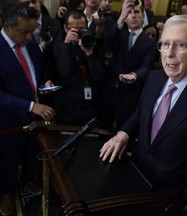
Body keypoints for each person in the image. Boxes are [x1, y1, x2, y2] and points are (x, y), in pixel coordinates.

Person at [99, 15, 187, 215]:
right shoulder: (154, 78)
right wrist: (123, 134)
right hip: (135, 175)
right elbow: (139, 114)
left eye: (180, 45)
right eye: (165, 44)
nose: (169, 53)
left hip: (171, 195)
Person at [0, 2, 56, 215]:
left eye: (32, 31)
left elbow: (37, 74)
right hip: (8, 119)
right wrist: (32, 105)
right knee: (9, 157)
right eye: (25, 32)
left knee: (33, 150)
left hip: (36, 114)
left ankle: (29, 179)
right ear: (6, 25)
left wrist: (45, 83)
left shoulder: (31, 43)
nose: (30, 37)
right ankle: (6, 192)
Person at [100, 0, 159, 130]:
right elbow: (106, 43)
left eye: (136, 12)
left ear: (143, 17)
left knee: (123, 130)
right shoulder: (118, 33)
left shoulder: (150, 43)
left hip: (130, 94)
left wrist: (134, 75)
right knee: (102, 129)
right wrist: (120, 19)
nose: (133, 15)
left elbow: (146, 67)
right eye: (129, 13)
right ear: (125, 17)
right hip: (109, 90)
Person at [55, 9, 104, 125]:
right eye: (74, 30)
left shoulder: (93, 44)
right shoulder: (59, 46)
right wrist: (67, 44)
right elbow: (65, 73)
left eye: (82, 28)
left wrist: (89, 52)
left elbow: (99, 76)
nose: (79, 32)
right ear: (66, 28)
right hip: (67, 109)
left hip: (90, 109)